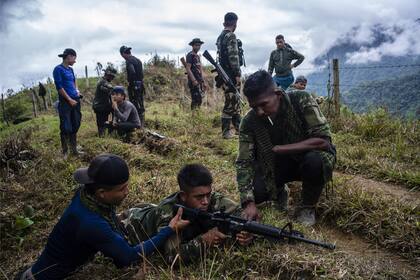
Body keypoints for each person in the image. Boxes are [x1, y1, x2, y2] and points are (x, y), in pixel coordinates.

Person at [17, 154, 189, 280]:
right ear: (101, 192)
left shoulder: (87, 195)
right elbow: (127, 257)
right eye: (122, 189)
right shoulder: (90, 223)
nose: (127, 192)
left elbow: (110, 216)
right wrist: (168, 230)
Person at [236, 70, 336, 226]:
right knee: (258, 191)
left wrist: (281, 149)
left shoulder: (301, 99)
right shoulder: (249, 122)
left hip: (306, 159)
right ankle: (279, 193)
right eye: (254, 107)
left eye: (263, 104)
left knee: (316, 161)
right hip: (276, 165)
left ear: (278, 93)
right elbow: (244, 162)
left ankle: (307, 207)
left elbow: (323, 141)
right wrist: (248, 202)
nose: (260, 112)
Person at [121, 164, 253, 265]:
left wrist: (244, 233)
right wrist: (204, 241)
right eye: (199, 197)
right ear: (184, 196)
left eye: (208, 194)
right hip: (131, 225)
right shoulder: (168, 213)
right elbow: (172, 258)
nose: (206, 201)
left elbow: (240, 215)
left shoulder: (210, 198)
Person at [216, 12, 243, 139]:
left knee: (235, 101)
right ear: (235, 23)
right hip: (230, 75)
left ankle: (239, 128)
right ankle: (226, 132)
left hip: (224, 73)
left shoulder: (220, 36)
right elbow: (233, 57)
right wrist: (237, 74)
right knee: (230, 102)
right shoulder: (231, 36)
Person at [53, 48, 83, 157]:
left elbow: (74, 81)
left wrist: (77, 91)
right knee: (66, 126)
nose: (75, 61)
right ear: (69, 56)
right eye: (74, 58)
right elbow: (59, 87)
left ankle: (74, 150)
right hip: (65, 102)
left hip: (76, 100)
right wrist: (69, 99)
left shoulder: (70, 70)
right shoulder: (58, 69)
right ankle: (65, 152)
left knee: (75, 123)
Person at [120, 46, 145, 127]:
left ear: (123, 54)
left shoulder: (129, 61)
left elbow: (132, 72)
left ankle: (137, 124)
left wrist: (131, 82)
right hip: (140, 84)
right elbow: (141, 74)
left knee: (134, 104)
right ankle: (142, 123)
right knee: (140, 103)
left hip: (134, 85)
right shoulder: (138, 60)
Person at [92, 65, 117, 136]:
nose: (113, 78)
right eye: (112, 76)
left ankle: (108, 134)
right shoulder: (103, 82)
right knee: (101, 124)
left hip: (105, 106)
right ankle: (102, 137)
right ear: (108, 74)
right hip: (100, 107)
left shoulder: (106, 81)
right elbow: (111, 90)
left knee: (107, 122)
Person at [185, 38, 208, 110]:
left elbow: (200, 70)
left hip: (199, 81)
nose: (198, 47)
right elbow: (188, 68)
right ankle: (193, 116)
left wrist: (203, 82)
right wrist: (193, 80)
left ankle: (197, 114)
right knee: (195, 99)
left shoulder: (197, 56)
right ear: (193, 46)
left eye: (199, 45)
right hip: (193, 81)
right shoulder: (190, 55)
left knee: (199, 99)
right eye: (196, 45)